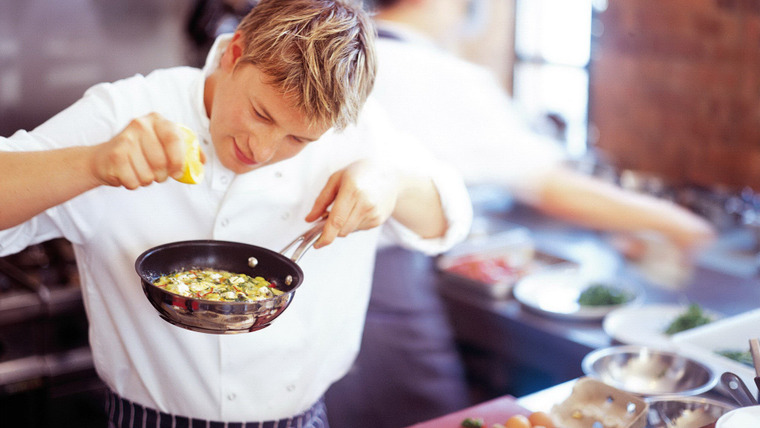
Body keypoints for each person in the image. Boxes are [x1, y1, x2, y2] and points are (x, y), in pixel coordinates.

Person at [0, 0, 473, 426]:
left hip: (304, 418)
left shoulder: (358, 130)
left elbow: (448, 219)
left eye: (298, 140)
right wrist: (91, 162)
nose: (263, 149)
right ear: (234, 53)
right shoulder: (124, 112)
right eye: (261, 114)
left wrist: (392, 183)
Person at [324, 0, 718, 427]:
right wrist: (678, 223)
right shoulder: (436, 74)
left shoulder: (341, 48)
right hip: (384, 295)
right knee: (442, 418)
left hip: (316, 283)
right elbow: (549, 185)